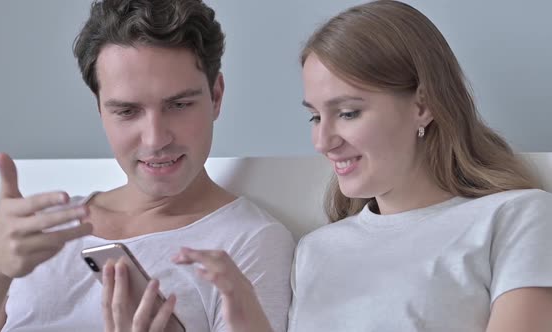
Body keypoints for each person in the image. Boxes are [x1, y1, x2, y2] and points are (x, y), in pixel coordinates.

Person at [158, 1, 552, 331]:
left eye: (347, 113)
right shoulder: (316, 251)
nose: (322, 141)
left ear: (423, 105)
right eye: (315, 117)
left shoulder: (516, 218)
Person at [0, 0, 295, 331]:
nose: (154, 139)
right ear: (100, 109)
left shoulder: (248, 244)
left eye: (179, 105)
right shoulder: (36, 234)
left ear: (216, 97)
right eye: (126, 111)